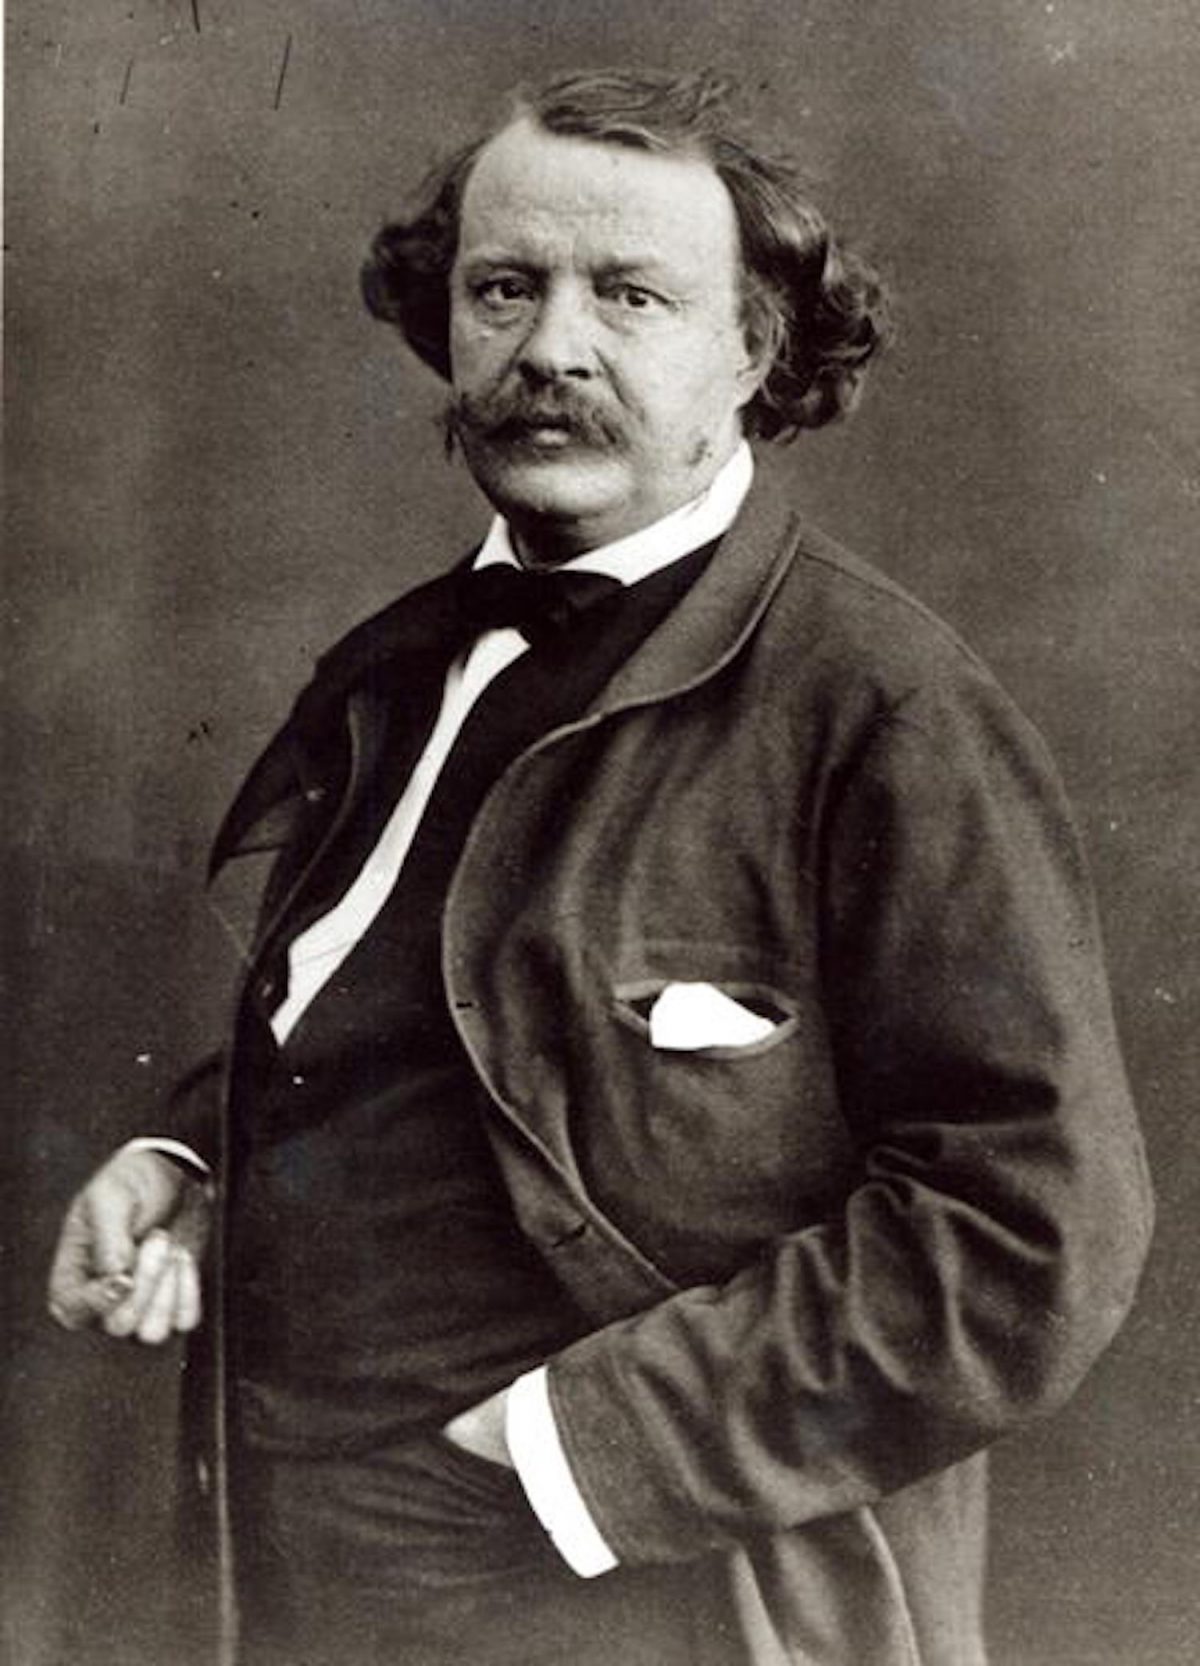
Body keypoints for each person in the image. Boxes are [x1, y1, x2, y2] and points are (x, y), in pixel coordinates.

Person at [48, 68, 1153, 1666]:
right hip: (283, 1562)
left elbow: (1029, 1232)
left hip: (641, 1591)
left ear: (754, 349)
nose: (552, 348)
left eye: (630, 295)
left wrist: (566, 1450)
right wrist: (193, 1160)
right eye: (506, 289)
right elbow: (433, 1019)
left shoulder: (886, 708)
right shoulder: (396, 668)